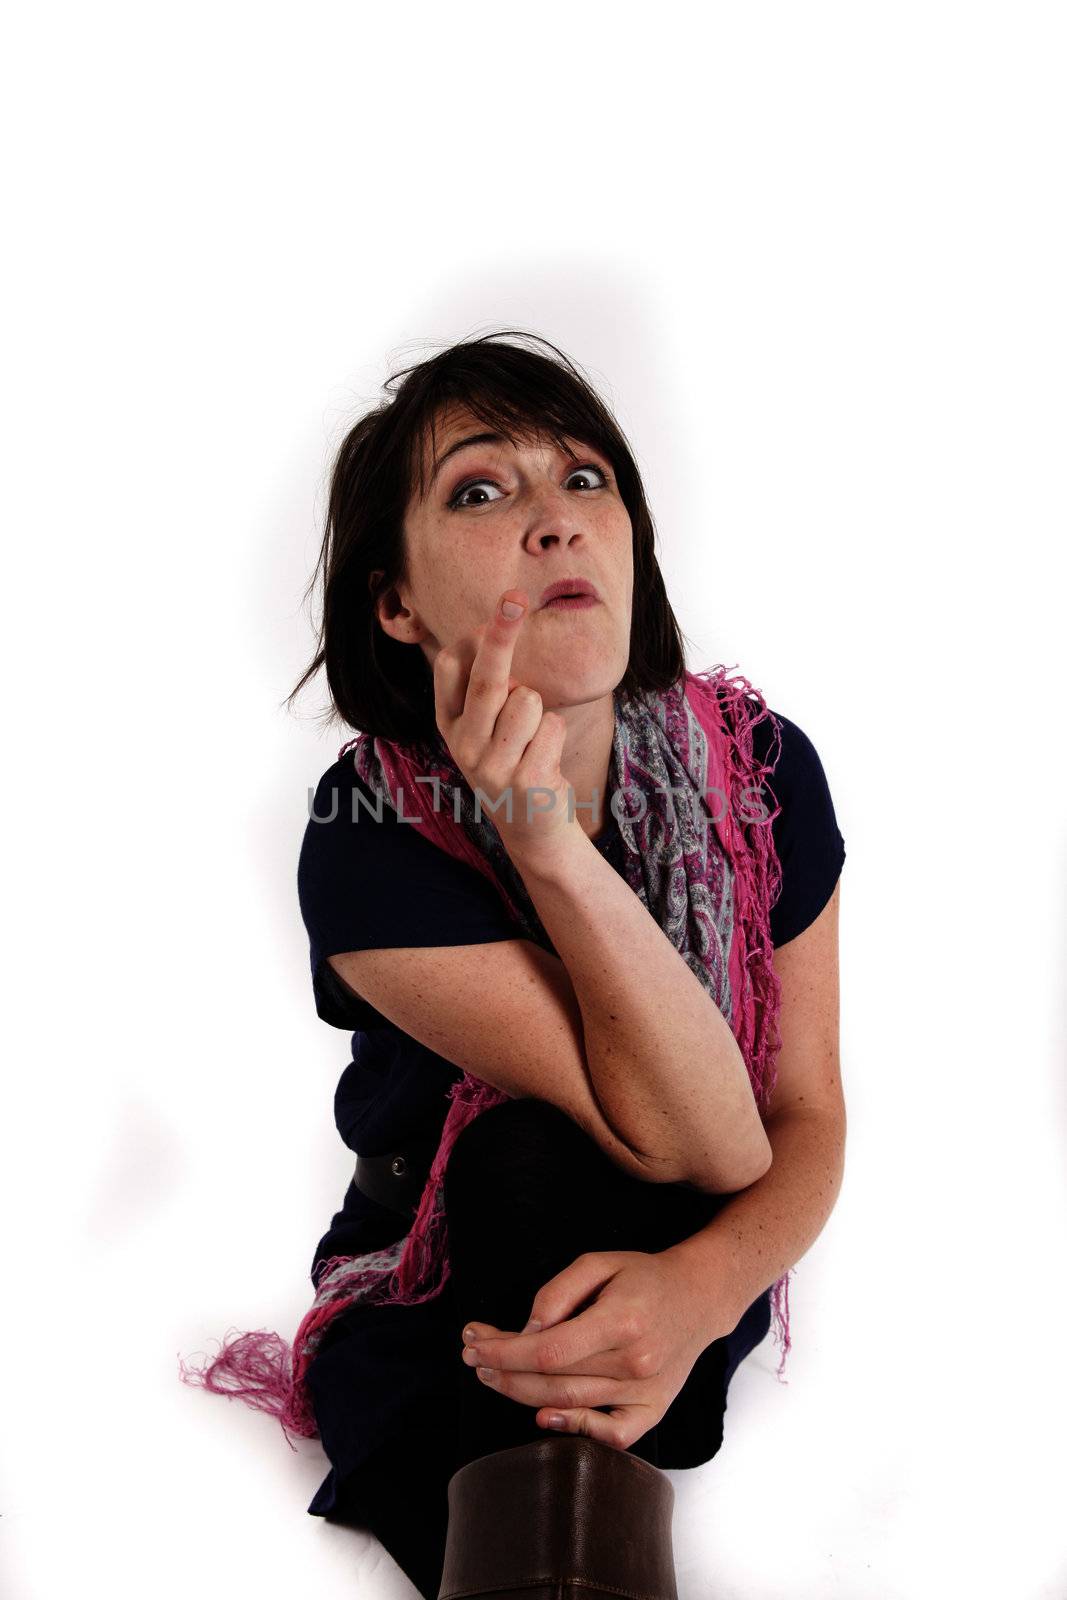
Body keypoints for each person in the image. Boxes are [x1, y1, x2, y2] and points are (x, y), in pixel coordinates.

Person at [185, 330, 847, 1599]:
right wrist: (544, 847)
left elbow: (787, 1128)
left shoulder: (761, 769)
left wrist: (703, 1290)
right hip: (451, 1275)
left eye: (584, 480)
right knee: (531, 1155)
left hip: (681, 1261)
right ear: (396, 603)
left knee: (597, 1204)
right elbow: (693, 1133)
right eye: (481, 492)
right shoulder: (365, 835)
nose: (554, 522)